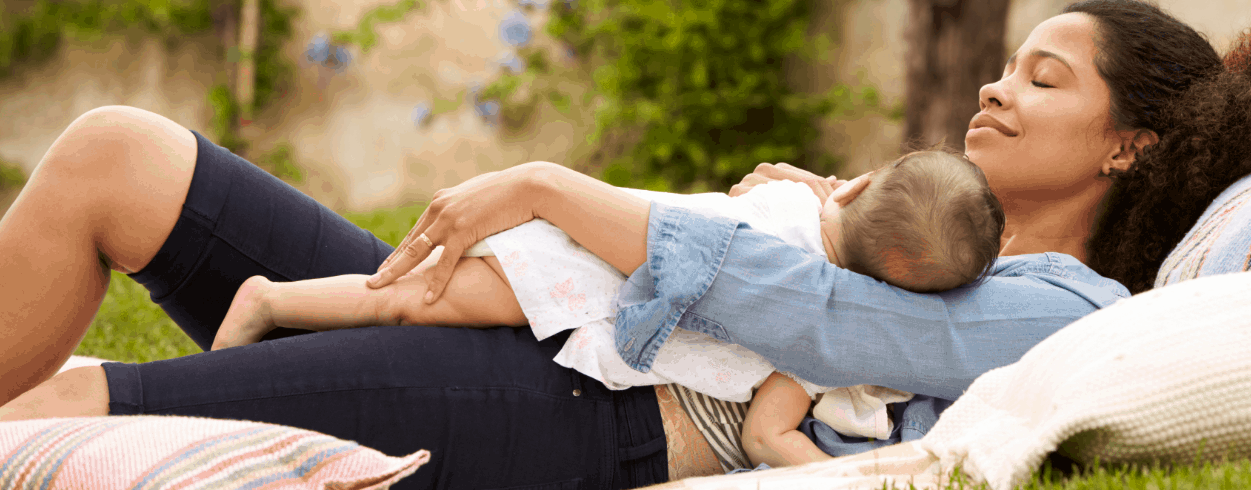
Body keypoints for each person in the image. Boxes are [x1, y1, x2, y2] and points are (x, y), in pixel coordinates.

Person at [0, 0, 1251, 489]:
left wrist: (558, 186)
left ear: (1134, 145)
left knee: (49, 421)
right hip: (549, 325)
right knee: (122, 152)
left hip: (572, 403)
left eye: (1046, 78)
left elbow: (801, 317)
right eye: (1010, 64)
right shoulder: (929, 217)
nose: (998, 85)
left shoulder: (1052, 303)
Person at [207, 149, 1003, 470]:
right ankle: (269, 298)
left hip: (589, 251)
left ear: (857, 186)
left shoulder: (793, 195)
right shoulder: (826, 322)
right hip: (579, 272)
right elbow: (768, 432)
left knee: (420, 305)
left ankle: (280, 308)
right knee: (415, 303)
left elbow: (749, 200)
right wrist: (855, 474)